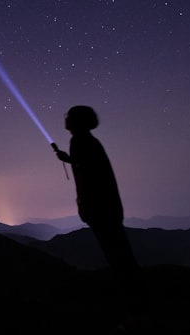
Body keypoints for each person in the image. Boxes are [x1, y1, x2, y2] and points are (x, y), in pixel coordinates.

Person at [53, 105, 145, 314]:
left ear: (77, 120)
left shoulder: (79, 141)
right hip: (108, 209)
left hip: (101, 210)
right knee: (121, 255)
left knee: (117, 256)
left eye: (69, 116)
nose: (65, 118)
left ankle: (136, 307)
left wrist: (85, 207)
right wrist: (69, 159)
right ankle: (137, 303)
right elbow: (88, 167)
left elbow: (89, 177)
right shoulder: (87, 141)